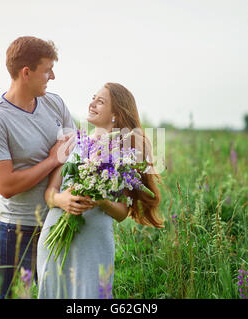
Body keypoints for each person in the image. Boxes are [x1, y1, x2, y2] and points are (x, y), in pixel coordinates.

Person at [36, 82, 164, 299]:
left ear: (115, 114)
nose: (92, 103)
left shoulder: (125, 154)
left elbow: (123, 213)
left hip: (93, 244)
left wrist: (102, 201)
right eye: (93, 97)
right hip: (55, 237)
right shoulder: (71, 142)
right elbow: (49, 193)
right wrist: (61, 200)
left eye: (100, 101)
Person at [0, 36, 77, 299]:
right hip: (16, 231)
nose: (52, 76)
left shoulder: (55, 104)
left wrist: (56, 195)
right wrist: (53, 160)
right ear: (26, 72)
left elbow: (74, 154)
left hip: (58, 224)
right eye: (47, 70)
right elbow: (6, 186)